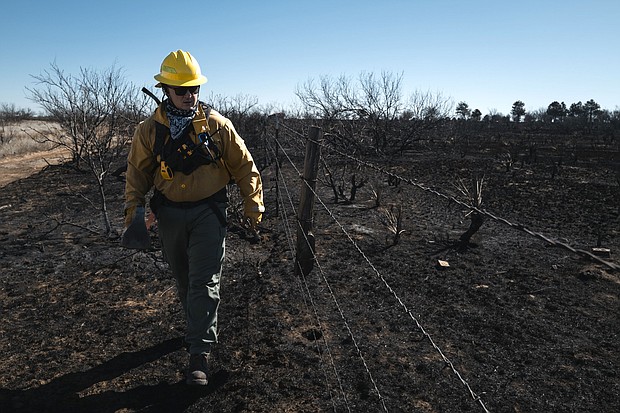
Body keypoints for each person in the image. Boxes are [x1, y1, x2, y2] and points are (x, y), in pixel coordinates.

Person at [123, 49, 264, 386]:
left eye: (194, 89)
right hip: (169, 214)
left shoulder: (217, 126)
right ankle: (196, 326)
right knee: (185, 280)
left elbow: (245, 167)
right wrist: (135, 214)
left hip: (209, 213)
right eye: (182, 90)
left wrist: (253, 204)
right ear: (166, 91)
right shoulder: (149, 131)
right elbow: (136, 175)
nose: (190, 95)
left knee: (205, 280)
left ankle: (198, 353)